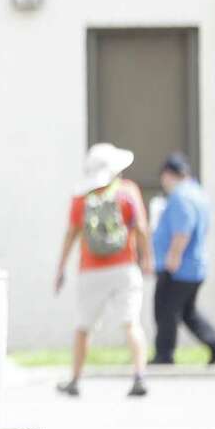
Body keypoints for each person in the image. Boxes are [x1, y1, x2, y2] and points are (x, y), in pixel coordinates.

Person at [54, 143, 152, 397]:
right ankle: (139, 375)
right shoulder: (128, 191)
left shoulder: (80, 198)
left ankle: (75, 380)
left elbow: (71, 234)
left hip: (91, 271)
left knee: (83, 327)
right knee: (131, 323)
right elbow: (140, 228)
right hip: (125, 267)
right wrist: (147, 259)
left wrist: (61, 268)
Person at [151, 152, 215, 365]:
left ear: (168, 174)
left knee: (165, 309)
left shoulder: (181, 196)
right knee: (187, 312)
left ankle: (164, 355)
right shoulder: (199, 193)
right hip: (195, 265)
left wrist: (173, 258)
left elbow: (183, 230)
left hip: (179, 266)